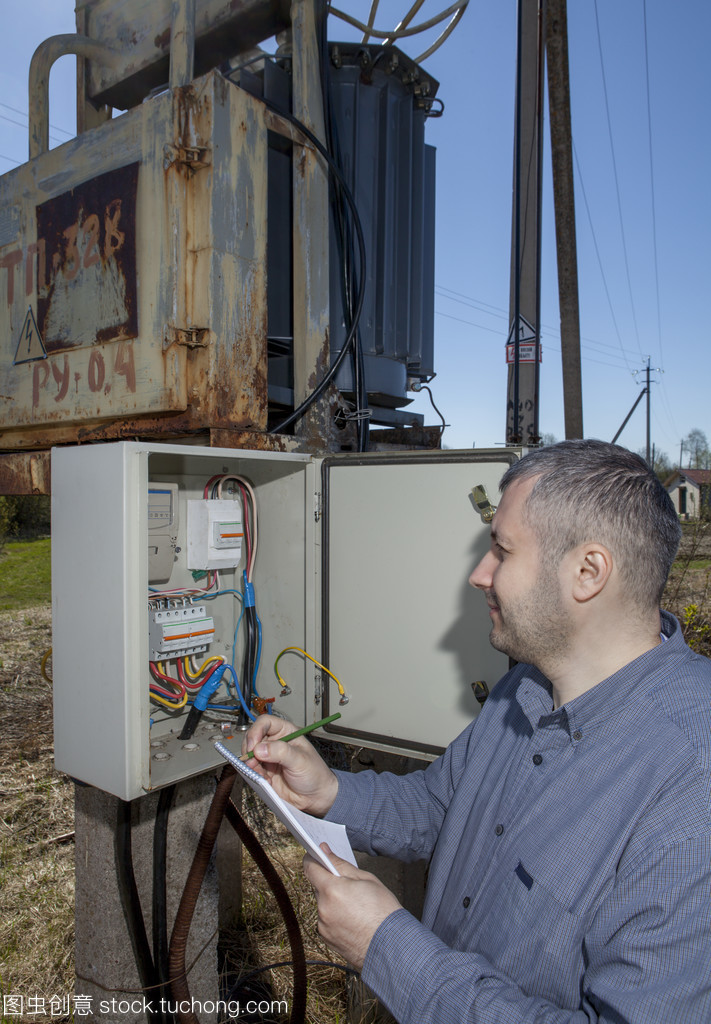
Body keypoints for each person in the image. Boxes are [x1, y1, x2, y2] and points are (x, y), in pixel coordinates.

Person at [244, 439, 711, 1023]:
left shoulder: (691, 786)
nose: (479, 573)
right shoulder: (526, 686)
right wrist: (328, 792)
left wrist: (388, 948)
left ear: (588, 572)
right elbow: (439, 805)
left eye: (503, 551)